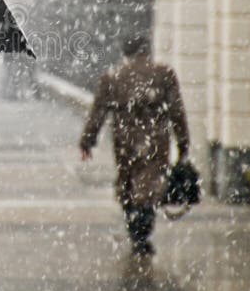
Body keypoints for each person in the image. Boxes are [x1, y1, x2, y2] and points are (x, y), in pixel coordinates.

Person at [79, 35, 189, 255]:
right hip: (157, 139)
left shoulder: (113, 77)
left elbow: (98, 112)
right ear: (147, 50)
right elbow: (177, 111)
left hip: (125, 139)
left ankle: (134, 227)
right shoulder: (164, 74)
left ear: (125, 52)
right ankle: (142, 232)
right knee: (148, 187)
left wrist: (88, 141)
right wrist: (183, 142)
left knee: (127, 182)